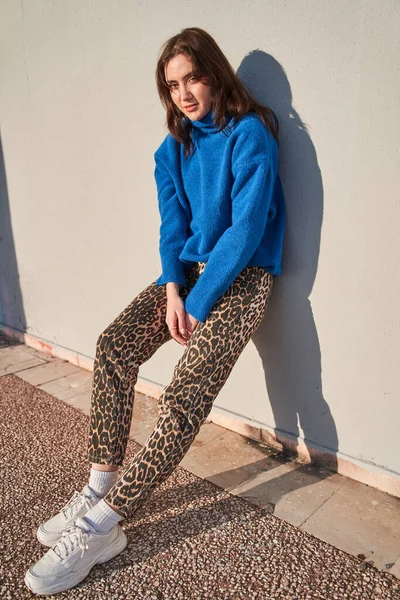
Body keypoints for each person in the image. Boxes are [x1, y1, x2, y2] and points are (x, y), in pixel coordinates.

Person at [24, 26, 286, 595]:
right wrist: (173, 291)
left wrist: (197, 302)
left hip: (245, 279)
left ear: (215, 74)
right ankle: (99, 486)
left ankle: (101, 526)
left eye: (193, 77)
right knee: (113, 346)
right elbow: (173, 228)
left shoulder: (251, 134)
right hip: (189, 276)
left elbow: (243, 234)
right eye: (172, 85)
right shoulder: (173, 148)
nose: (185, 93)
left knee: (185, 392)